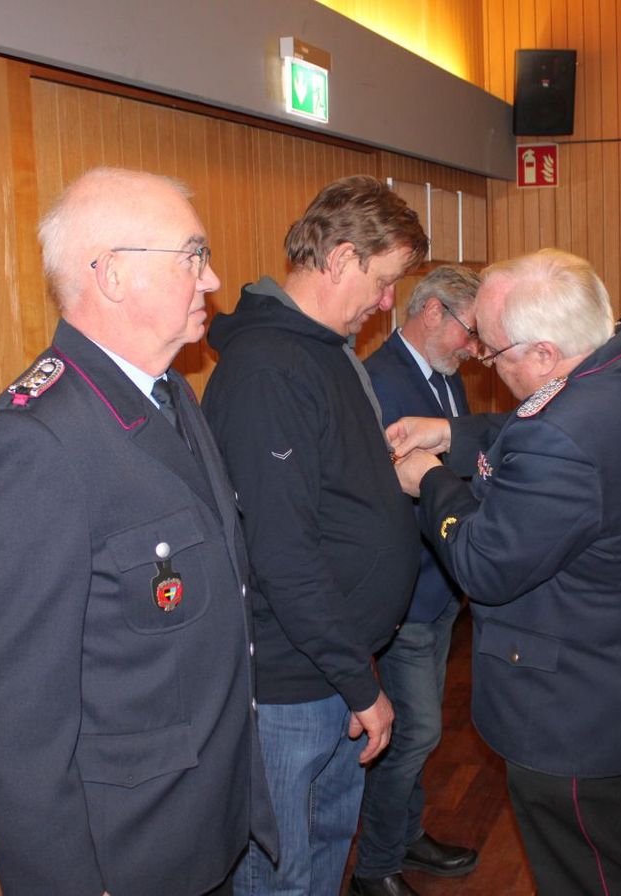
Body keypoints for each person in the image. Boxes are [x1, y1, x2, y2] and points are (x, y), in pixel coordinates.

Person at [0, 167, 275, 896]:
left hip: (203, 824)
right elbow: (14, 722)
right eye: (192, 256)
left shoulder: (171, 392)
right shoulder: (32, 445)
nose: (211, 278)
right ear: (114, 275)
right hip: (127, 856)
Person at [390, 248, 621, 896]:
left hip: (571, 704)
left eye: (493, 350)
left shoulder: (563, 437)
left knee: (588, 876)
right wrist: (451, 433)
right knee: (604, 856)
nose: (485, 360)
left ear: (545, 353)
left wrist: (431, 480)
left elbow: (484, 565)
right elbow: (541, 421)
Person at [201, 175, 429, 895]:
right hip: (293, 681)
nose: (387, 303)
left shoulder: (324, 349)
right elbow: (281, 553)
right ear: (339, 258)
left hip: (335, 665)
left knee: (326, 849)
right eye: (384, 281)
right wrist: (359, 683)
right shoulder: (268, 369)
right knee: (281, 877)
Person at [351, 266, 483, 896]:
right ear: (432, 312)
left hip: (441, 588)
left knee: (415, 732)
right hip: (406, 592)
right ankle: (375, 867)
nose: (475, 348)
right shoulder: (380, 380)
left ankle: (406, 835)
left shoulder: (443, 374)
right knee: (416, 733)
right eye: (470, 331)